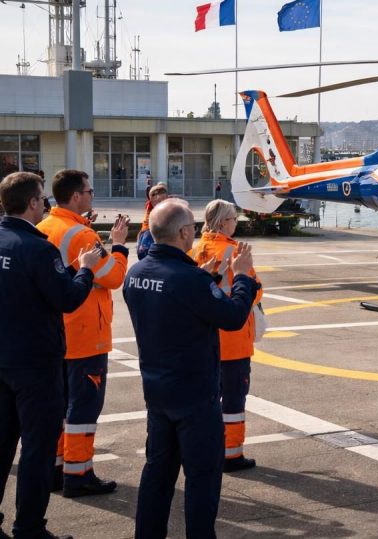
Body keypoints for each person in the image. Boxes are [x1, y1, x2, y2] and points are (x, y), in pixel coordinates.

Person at [124, 198, 259, 538]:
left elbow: (171, 302)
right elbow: (231, 317)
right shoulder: (188, 280)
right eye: (191, 229)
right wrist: (241, 278)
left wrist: (203, 278)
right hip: (194, 396)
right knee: (202, 478)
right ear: (184, 232)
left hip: (157, 390)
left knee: (158, 473)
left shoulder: (136, 274)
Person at [0, 171, 102, 539]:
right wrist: (86, 270)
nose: (45, 203)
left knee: (3, 445)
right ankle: (29, 528)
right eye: (41, 198)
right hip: (36, 364)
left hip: (4, 357)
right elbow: (67, 298)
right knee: (38, 450)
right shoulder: (37, 248)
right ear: (31, 203)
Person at [37, 170, 129, 498]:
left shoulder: (44, 227)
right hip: (85, 333)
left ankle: (58, 467)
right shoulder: (81, 235)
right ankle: (79, 472)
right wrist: (118, 246)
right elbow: (113, 277)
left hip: (55, 332)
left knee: (60, 407)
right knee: (84, 408)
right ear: (76, 196)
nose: (91, 196)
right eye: (88, 192)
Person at [189, 199, 263, 473]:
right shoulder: (233, 251)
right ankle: (231, 453)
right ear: (223, 222)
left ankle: (208, 447)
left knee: (208, 398)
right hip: (232, 339)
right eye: (233, 218)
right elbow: (255, 290)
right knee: (233, 399)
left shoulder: (199, 248)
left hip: (207, 337)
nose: (236, 222)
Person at [137, 182, 170, 260]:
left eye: (163, 201)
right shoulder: (151, 213)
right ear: (152, 202)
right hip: (148, 232)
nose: (160, 204)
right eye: (157, 202)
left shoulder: (170, 207)